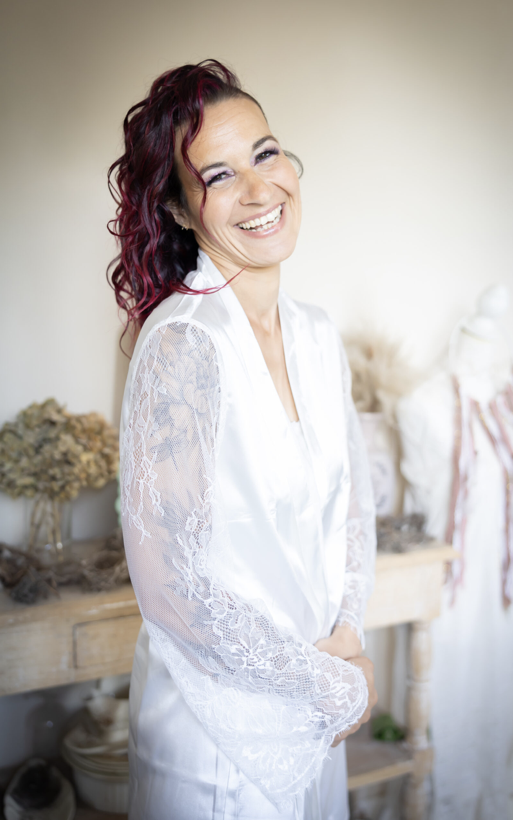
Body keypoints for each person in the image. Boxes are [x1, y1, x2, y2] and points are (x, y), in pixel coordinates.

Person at [110, 59, 377, 820]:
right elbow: (171, 588)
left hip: (315, 714)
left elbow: (353, 506)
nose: (261, 190)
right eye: (220, 176)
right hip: (218, 741)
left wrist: (347, 637)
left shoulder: (317, 335)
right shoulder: (184, 344)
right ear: (179, 207)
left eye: (266, 154)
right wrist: (331, 684)